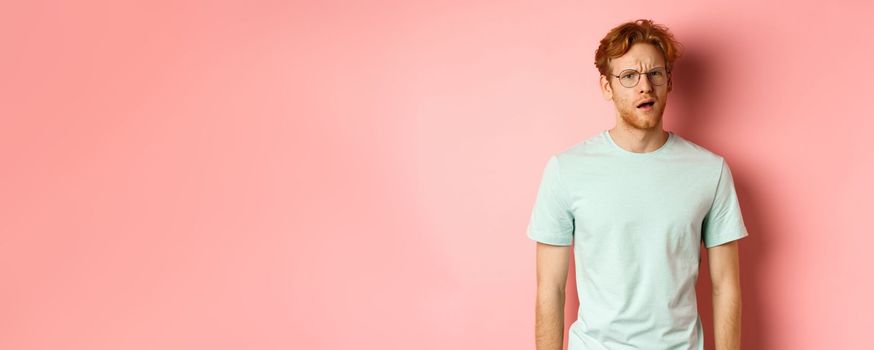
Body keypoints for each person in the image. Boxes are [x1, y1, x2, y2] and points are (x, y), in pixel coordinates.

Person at [527, 19, 747, 350]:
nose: (645, 86)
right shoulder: (566, 170)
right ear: (607, 87)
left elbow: (726, 285)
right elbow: (550, 289)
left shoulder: (710, 171)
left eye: (655, 74)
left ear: (669, 82)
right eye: (629, 76)